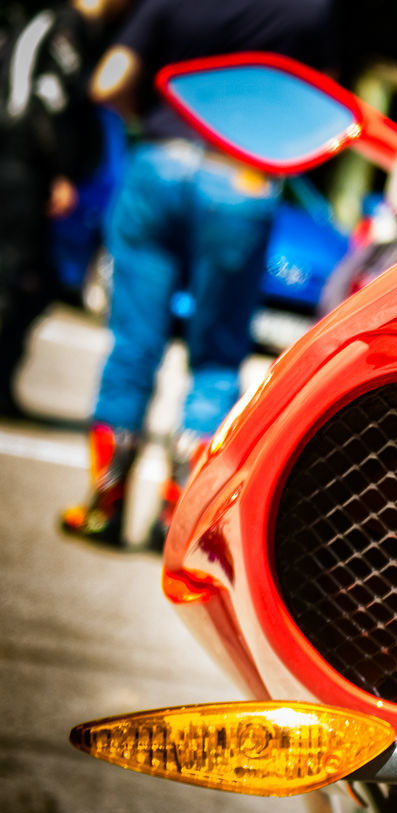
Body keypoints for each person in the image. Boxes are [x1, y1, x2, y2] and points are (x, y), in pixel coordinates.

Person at [59, 0, 337, 549]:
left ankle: (103, 506)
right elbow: (318, 111)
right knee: (217, 354)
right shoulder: (312, 10)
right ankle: (177, 517)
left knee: (134, 340)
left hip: (159, 163)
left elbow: (108, 81)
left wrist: (153, 123)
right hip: (242, 179)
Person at [0, 0, 126, 418]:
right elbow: (28, 100)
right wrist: (52, 168)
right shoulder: (58, 22)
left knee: (38, 280)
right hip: (19, 168)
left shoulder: (86, 34)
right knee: (10, 276)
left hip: (33, 172)